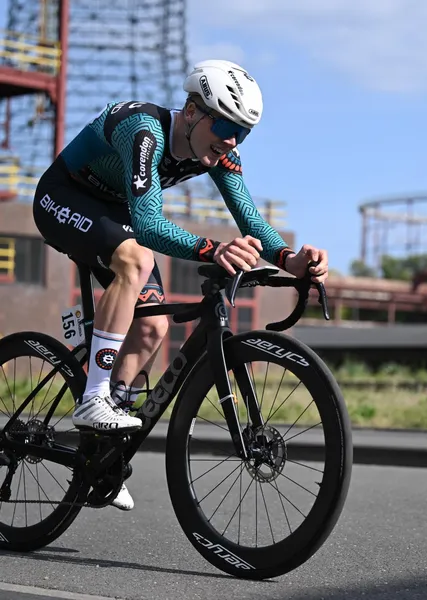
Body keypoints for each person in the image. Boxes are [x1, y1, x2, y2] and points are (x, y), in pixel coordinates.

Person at [31, 59, 329, 510]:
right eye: (225, 125)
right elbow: (149, 225)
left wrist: (291, 260)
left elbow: (251, 221)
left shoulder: (220, 153)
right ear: (191, 111)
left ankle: (102, 451)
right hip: (63, 196)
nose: (232, 139)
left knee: (153, 327)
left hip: (116, 215)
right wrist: (213, 249)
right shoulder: (144, 130)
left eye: (242, 132)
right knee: (136, 258)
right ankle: (93, 398)